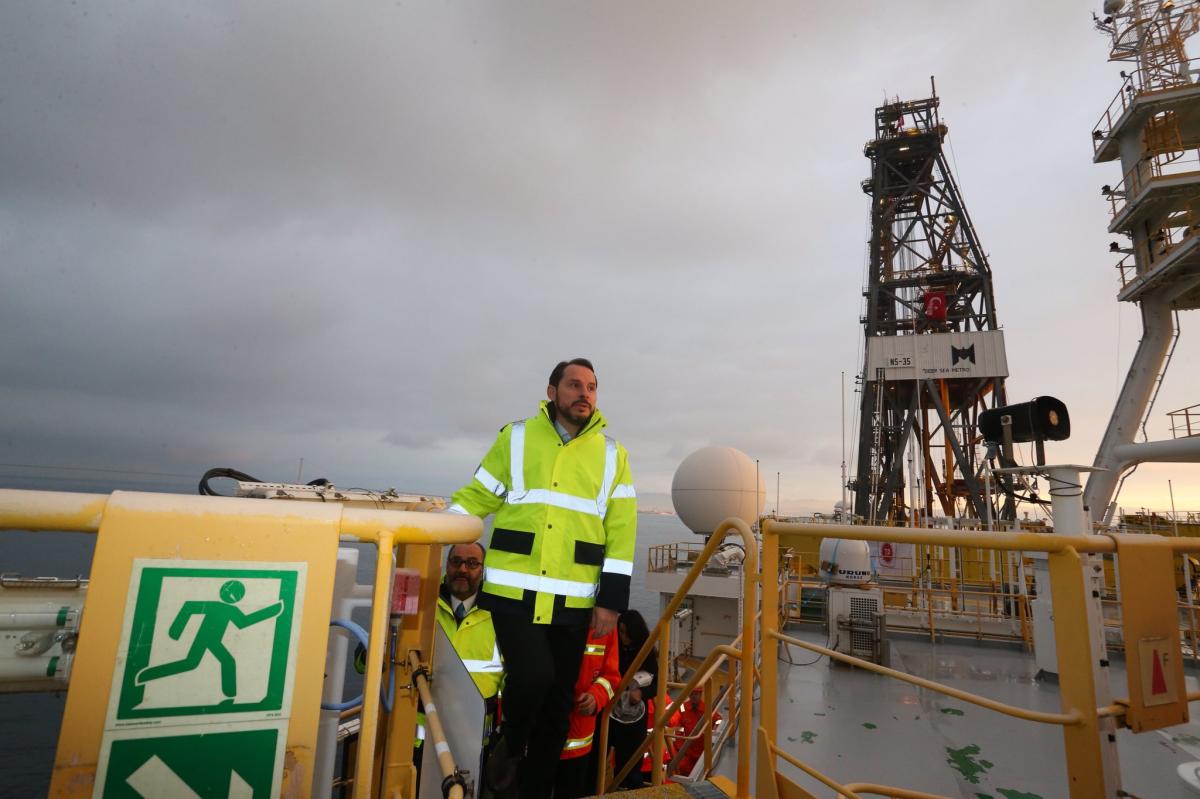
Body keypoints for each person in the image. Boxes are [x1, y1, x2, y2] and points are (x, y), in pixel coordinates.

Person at [447, 358, 637, 798]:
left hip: (574, 600)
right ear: (552, 391)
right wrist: (433, 532)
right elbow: (478, 495)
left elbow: (622, 532)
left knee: (557, 706)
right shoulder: (516, 438)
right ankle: (510, 742)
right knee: (533, 676)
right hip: (514, 591)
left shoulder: (613, 455)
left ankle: (532, 791)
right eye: (574, 384)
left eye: (591, 386)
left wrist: (611, 600)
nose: (584, 393)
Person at [554, 626, 620, 799]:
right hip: (539, 738)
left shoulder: (606, 623)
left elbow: (611, 676)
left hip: (578, 741)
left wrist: (595, 697)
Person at [609, 609, 658, 788]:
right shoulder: (614, 650)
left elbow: (656, 684)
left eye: (625, 632)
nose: (622, 636)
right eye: (619, 631)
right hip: (611, 714)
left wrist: (641, 694)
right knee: (602, 759)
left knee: (629, 764)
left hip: (634, 718)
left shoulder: (646, 654)